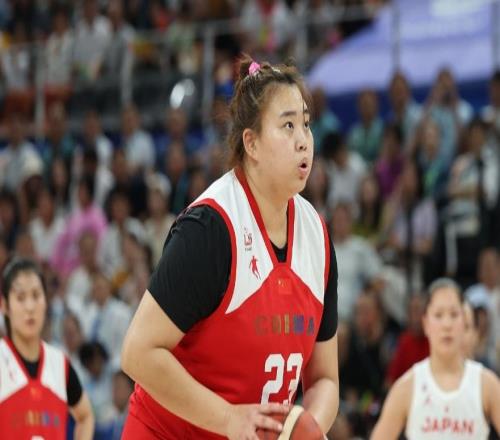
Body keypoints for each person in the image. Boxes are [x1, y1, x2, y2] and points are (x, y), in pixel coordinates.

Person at [121, 56, 340, 439]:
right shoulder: (210, 228)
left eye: (306, 124)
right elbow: (137, 353)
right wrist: (229, 419)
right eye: (288, 125)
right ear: (251, 143)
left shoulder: (317, 236)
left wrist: (310, 428)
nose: (304, 140)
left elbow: (325, 378)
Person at [371, 278, 500, 440]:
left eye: (454, 315)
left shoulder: (486, 384)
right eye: (438, 315)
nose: (447, 324)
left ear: (464, 321)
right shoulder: (407, 387)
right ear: (425, 323)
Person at [0, 257, 94, 439]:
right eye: (20, 298)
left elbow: (85, 416)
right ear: (5, 305)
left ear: (46, 301)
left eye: (36, 295)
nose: (30, 307)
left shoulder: (59, 364)